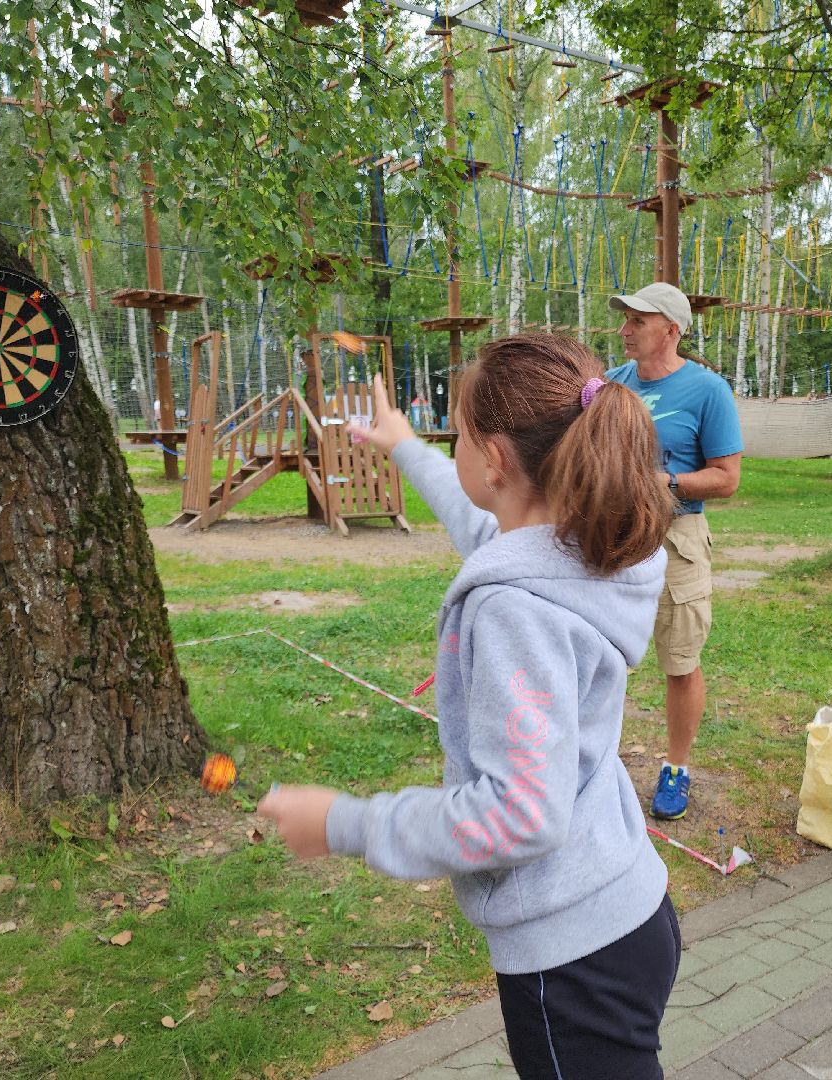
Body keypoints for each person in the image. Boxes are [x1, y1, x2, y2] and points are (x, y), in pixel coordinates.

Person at [260, 334, 682, 1078]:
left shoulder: (517, 608)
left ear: (493, 459)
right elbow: (480, 525)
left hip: (573, 961)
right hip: (628, 910)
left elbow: (520, 813)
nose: (448, 447)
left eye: (453, 434)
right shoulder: (583, 552)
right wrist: (401, 446)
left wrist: (344, 823)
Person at [604, 283, 744, 821]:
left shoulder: (708, 391)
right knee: (601, 655)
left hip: (675, 537)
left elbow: (727, 478)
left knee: (680, 663)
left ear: (671, 328)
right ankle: (595, 762)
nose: (624, 329)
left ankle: (676, 769)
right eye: (625, 320)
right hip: (611, 538)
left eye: (637, 320)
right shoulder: (610, 386)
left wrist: (667, 483)